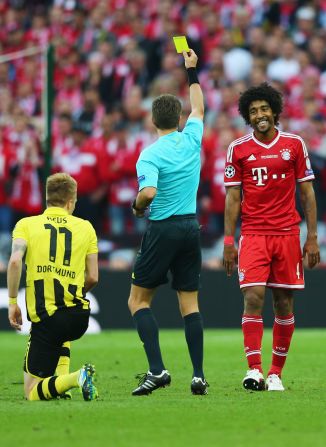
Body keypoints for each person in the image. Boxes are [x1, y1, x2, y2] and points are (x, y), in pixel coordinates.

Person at [223, 82, 320, 392]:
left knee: (283, 303)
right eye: (253, 111)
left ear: (275, 111)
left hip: (288, 234)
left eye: (264, 109)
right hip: (252, 234)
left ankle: (276, 372)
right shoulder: (237, 149)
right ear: (247, 117)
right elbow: (233, 198)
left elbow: (307, 193)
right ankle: (254, 370)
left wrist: (312, 237)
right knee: (252, 296)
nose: (260, 114)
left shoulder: (294, 144)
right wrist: (228, 241)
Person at [128, 49, 207, 396]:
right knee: (189, 304)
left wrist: (136, 207)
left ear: (152, 121)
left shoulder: (150, 153)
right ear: (179, 118)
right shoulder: (192, 138)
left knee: (138, 302)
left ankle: (157, 370)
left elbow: (147, 193)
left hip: (163, 228)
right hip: (191, 226)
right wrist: (192, 72)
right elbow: (200, 108)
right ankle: (198, 375)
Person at [7, 173, 99, 401]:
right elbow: (94, 277)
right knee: (61, 327)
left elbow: (15, 261)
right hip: (79, 317)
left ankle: (76, 377)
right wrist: (77, 292)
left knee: (31, 392)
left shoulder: (26, 225)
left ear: (47, 198)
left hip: (47, 320)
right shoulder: (86, 228)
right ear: (70, 202)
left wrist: (12, 302)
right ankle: (61, 383)